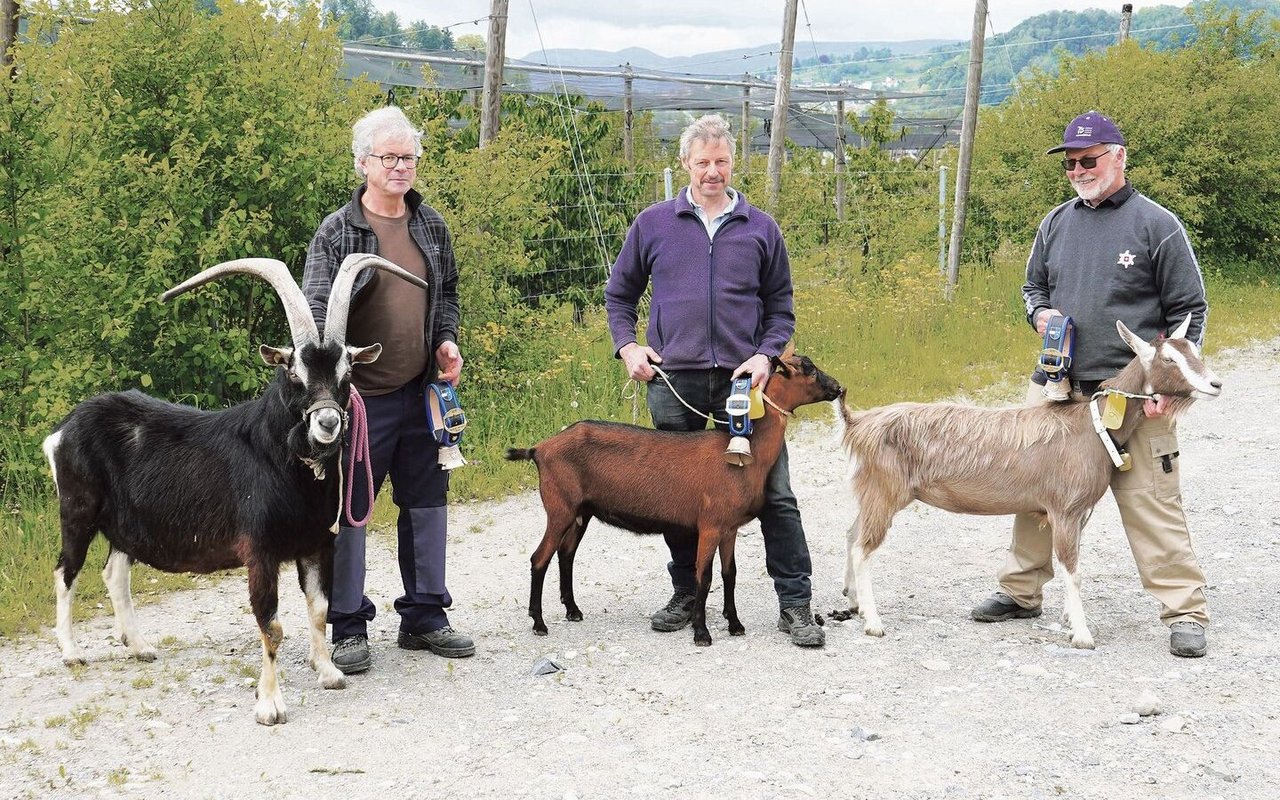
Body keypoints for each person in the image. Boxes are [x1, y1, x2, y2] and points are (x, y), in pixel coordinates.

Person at [970, 110, 1212, 658]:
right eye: (1072, 162)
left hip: (1132, 392)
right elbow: (1033, 288)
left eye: (1090, 159)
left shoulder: (1157, 226)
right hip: (1060, 387)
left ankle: (1184, 609)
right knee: (1032, 488)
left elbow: (1189, 315)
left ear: (1118, 157)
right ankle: (1021, 590)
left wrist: (1170, 390)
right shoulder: (1056, 222)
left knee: (1151, 494)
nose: (1080, 170)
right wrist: (1039, 317)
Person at [604, 113, 824, 648]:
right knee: (677, 497)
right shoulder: (652, 224)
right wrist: (629, 346)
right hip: (672, 380)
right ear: (684, 164)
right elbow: (619, 296)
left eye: (721, 161)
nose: (712, 172)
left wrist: (768, 356)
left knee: (774, 493)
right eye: (702, 162)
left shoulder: (761, 227)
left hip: (744, 388)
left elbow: (781, 310)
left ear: (733, 163)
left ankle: (795, 604)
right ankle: (687, 591)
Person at [302, 106, 473, 673]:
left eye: (409, 158)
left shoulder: (431, 226)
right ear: (363, 163)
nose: (401, 167)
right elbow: (320, 320)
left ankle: (425, 617)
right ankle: (346, 624)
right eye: (389, 157)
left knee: (427, 503)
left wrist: (446, 342)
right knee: (351, 510)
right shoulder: (336, 232)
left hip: (422, 393)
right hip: (358, 403)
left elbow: (445, 295)